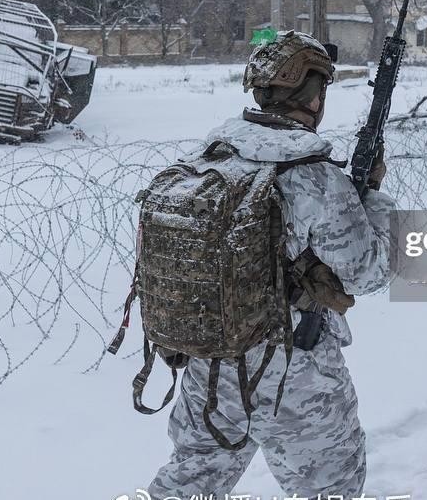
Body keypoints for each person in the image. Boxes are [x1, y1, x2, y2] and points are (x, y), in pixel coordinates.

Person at [148, 30, 393, 499]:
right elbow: (370, 272)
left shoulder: (206, 158)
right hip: (293, 369)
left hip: (210, 359)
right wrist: (374, 196)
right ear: (314, 96)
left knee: (191, 480)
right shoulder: (313, 177)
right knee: (330, 489)